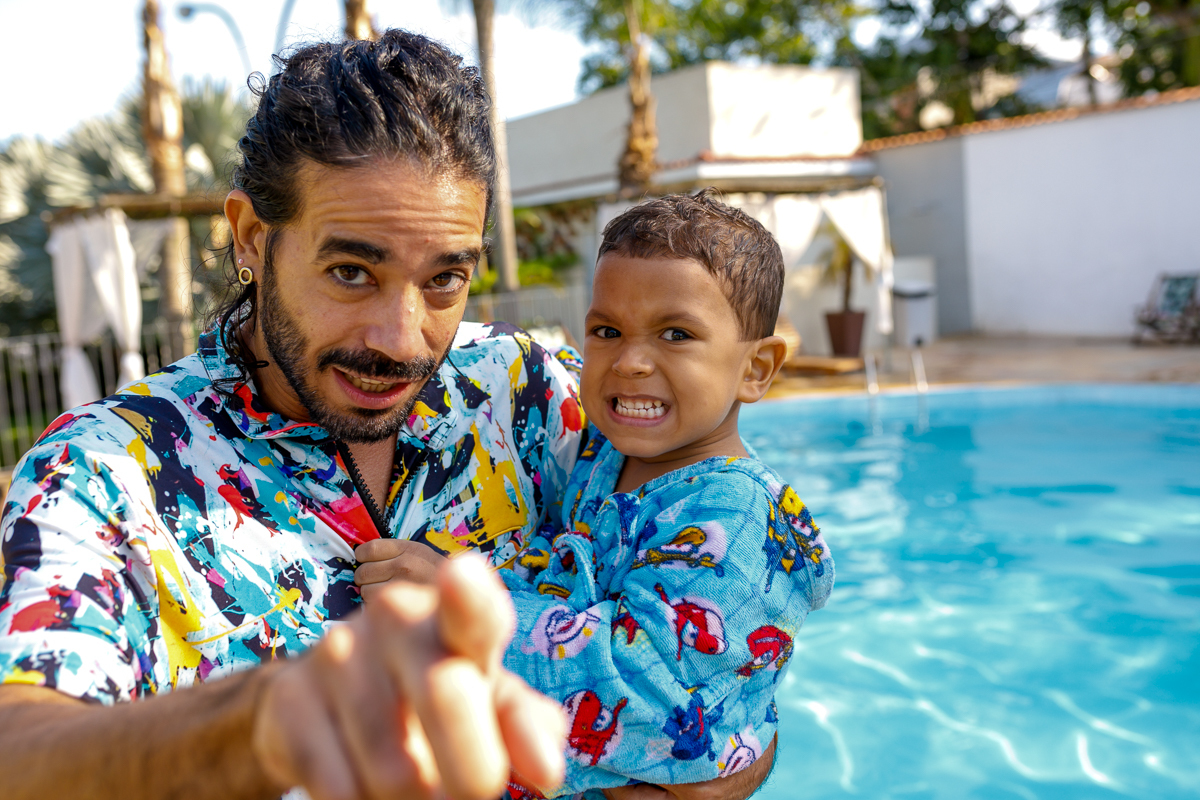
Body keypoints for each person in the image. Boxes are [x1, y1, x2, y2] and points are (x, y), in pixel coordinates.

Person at [0, 29, 771, 800]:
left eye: (444, 280)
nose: (401, 341)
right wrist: (255, 724)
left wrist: (728, 765)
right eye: (350, 271)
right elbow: (22, 752)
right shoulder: (110, 473)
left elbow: (733, 615)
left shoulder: (524, 389)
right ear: (250, 237)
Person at [357, 191, 835, 799]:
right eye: (607, 330)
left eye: (676, 334)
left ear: (756, 369)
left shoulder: (735, 517)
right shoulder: (604, 455)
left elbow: (641, 692)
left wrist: (457, 611)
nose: (631, 361)